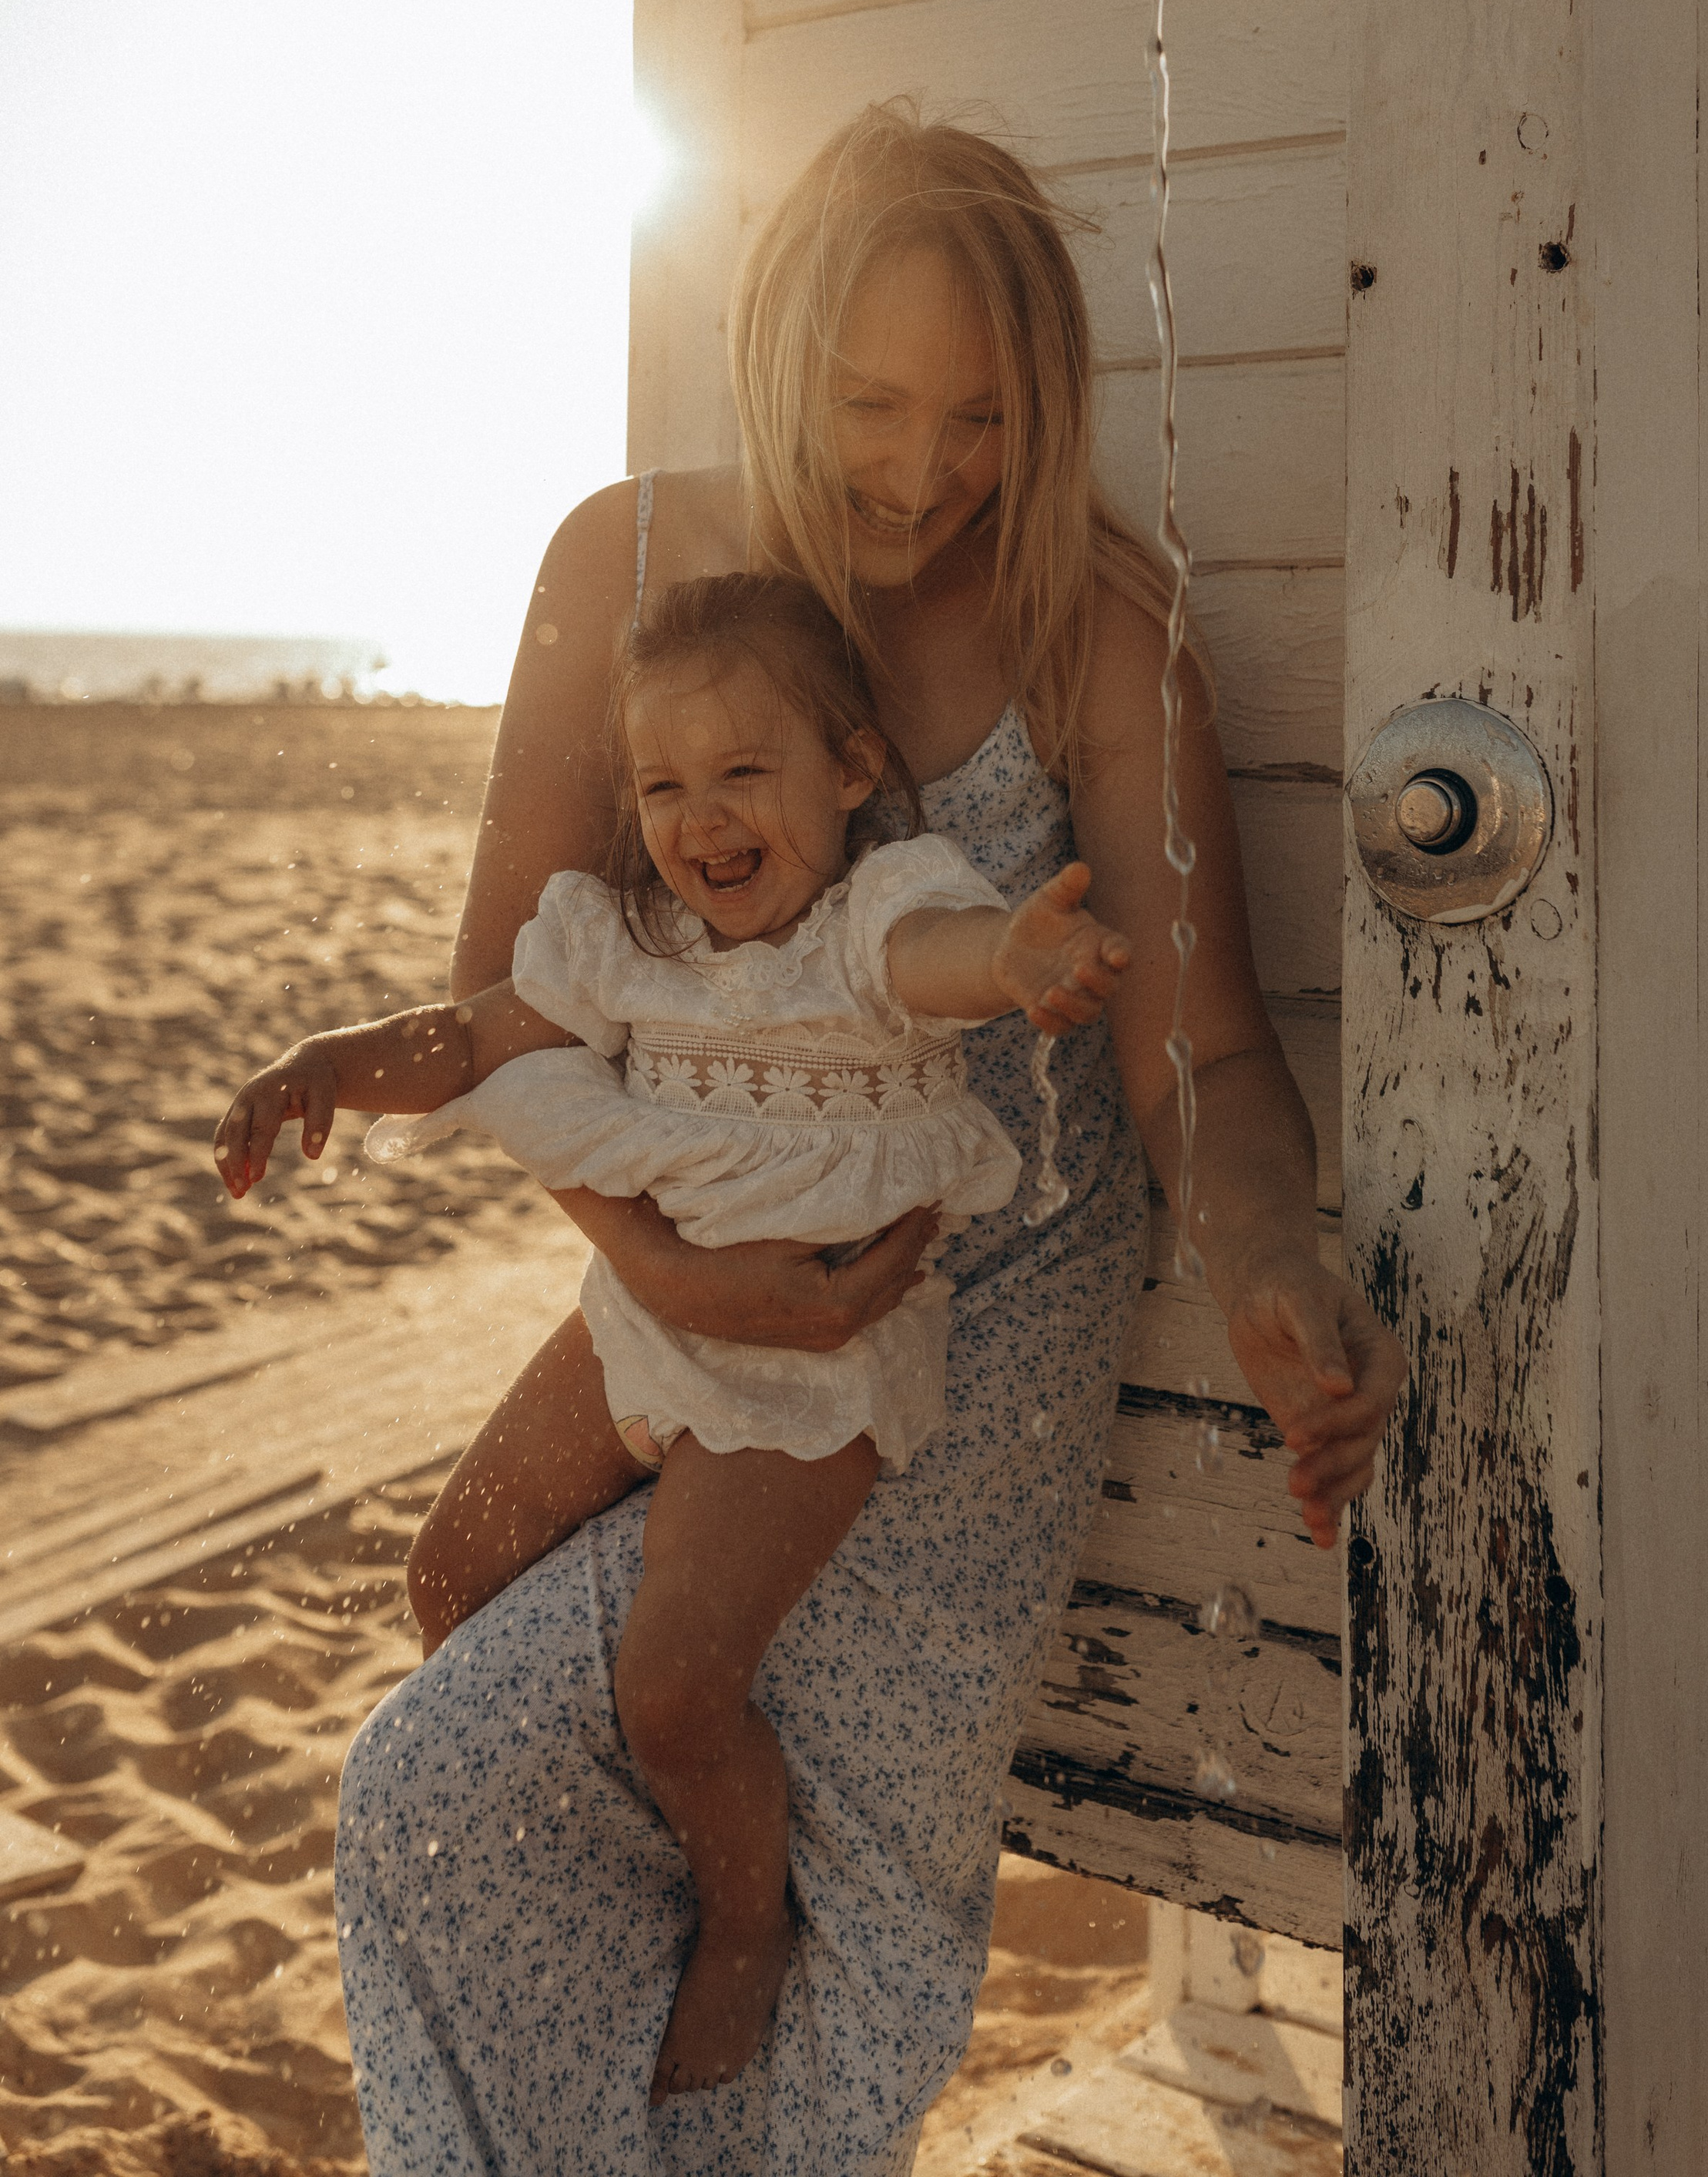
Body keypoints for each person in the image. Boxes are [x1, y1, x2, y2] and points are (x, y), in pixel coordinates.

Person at [331, 104, 1406, 2176]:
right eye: (873, 406)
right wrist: (661, 1266)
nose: (927, 474)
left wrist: (1275, 1261)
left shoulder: (1100, 628)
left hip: (955, 1369)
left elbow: (1210, 1063)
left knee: (702, 1855)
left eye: (989, 419)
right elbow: (509, 998)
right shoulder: (620, 566)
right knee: (457, 1696)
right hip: (690, 1297)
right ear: (773, 350)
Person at [214, 571, 1131, 2103]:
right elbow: (475, 1038)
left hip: (811, 1372)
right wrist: (326, 1063)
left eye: (743, 774)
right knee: (443, 1577)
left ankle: (740, 1919)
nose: (701, 820)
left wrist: (1020, 966)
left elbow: (943, 961)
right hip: (645, 1327)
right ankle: (645, 1829)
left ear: (847, 774)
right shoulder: (618, 937)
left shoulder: (869, 915)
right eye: (662, 785)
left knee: (672, 1685)